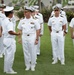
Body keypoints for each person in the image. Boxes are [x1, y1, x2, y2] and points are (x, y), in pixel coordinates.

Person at [17, 6, 40, 71]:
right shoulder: (22, 21)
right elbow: (19, 30)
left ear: (30, 12)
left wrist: (37, 39)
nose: (25, 13)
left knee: (32, 51)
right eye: (25, 12)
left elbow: (38, 30)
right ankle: (27, 65)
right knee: (26, 51)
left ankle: (33, 65)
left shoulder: (34, 21)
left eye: (27, 12)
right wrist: (19, 38)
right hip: (24, 37)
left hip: (32, 37)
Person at [2, 6, 20, 74]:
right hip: (9, 39)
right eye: (12, 12)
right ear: (10, 14)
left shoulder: (5, 20)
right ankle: (9, 70)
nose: (13, 14)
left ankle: (6, 69)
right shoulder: (9, 21)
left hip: (5, 39)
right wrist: (17, 34)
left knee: (7, 55)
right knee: (10, 56)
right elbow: (10, 31)